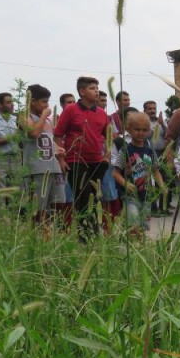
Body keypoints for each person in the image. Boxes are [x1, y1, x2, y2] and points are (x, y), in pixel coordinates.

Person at [54, 76, 111, 243]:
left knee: (95, 198)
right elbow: (58, 135)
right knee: (83, 199)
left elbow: (108, 135)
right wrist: (62, 159)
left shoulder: (101, 113)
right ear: (82, 91)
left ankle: (93, 234)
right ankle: (85, 237)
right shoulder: (71, 110)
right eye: (93, 88)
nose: (97, 91)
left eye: (97, 87)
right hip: (76, 161)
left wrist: (107, 157)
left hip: (97, 162)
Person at [21, 84, 66, 235]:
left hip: (53, 167)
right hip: (37, 170)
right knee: (38, 207)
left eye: (48, 102)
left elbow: (47, 140)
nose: (47, 106)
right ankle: (38, 234)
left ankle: (52, 233)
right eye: (44, 102)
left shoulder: (47, 122)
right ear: (32, 101)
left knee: (58, 203)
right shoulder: (24, 116)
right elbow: (33, 133)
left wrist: (57, 150)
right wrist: (42, 116)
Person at [113, 111, 166, 235]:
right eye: (137, 129)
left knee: (143, 225)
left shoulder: (150, 151)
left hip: (146, 195)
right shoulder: (125, 150)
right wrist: (125, 184)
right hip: (130, 195)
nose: (141, 133)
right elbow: (115, 173)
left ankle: (140, 247)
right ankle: (132, 246)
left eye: (144, 130)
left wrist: (162, 186)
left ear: (148, 130)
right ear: (128, 129)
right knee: (133, 223)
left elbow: (156, 171)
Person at [144, 100, 169, 216]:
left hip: (162, 154)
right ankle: (153, 208)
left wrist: (162, 124)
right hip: (148, 155)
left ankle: (164, 207)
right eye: (150, 109)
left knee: (162, 180)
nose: (152, 111)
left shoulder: (161, 121)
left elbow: (168, 133)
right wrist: (158, 126)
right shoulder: (144, 122)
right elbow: (147, 135)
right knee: (150, 182)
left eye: (154, 108)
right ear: (145, 110)